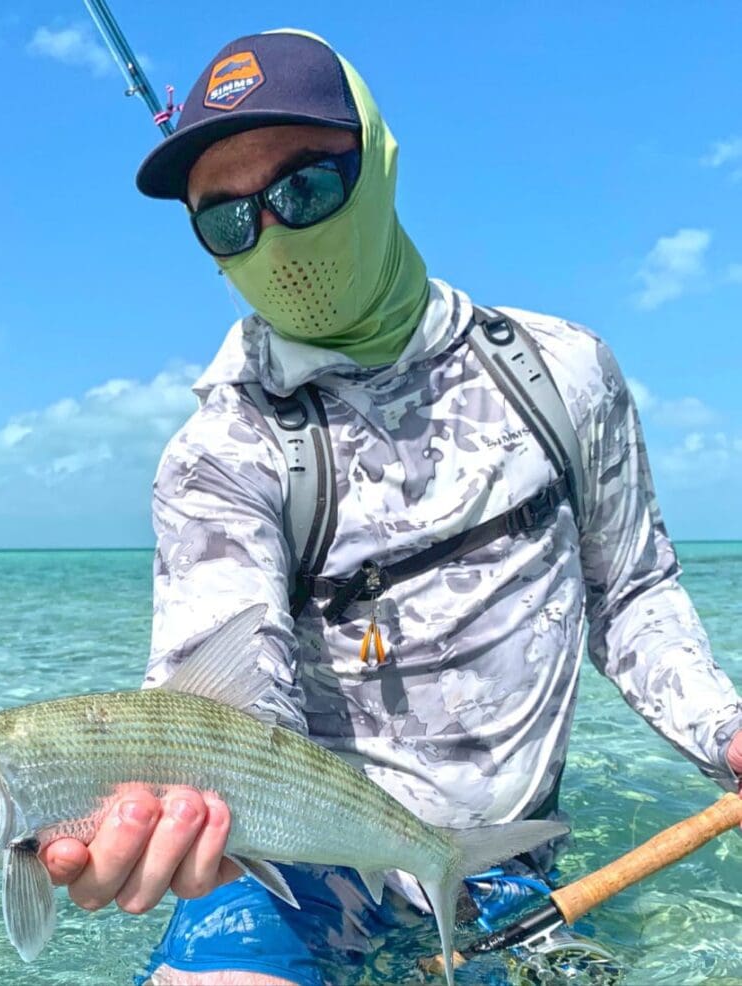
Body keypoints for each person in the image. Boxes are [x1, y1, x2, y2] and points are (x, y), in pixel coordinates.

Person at [41, 29, 742, 985]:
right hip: (298, 858)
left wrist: (725, 731)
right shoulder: (219, 453)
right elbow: (225, 705)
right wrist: (176, 811)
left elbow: (628, 593)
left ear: (377, 164)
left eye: (305, 189)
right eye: (229, 219)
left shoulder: (561, 371)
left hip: (502, 864)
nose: (275, 237)